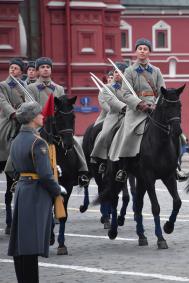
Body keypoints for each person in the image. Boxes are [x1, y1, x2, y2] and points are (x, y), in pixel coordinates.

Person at [7, 102, 63, 283]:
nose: (42, 116)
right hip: (36, 193)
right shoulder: (38, 142)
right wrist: (57, 191)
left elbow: (13, 169)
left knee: (21, 242)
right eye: (39, 114)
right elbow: (45, 175)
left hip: (23, 189)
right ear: (32, 118)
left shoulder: (16, 140)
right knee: (31, 243)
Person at [108, 38, 165, 182]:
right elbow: (125, 94)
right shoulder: (129, 71)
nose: (142, 51)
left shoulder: (156, 71)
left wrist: (156, 105)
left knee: (172, 132)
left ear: (149, 52)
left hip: (154, 108)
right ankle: (124, 168)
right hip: (136, 110)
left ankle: (174, 167)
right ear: (136, 51)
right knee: (128, 134)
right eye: (140, 49)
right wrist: (140, 104)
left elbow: (162, 91)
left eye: (145, 49)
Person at [27, 57, 89, 186]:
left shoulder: (58, 88)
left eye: (48, 67)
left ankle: (82, 171)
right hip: (37, 124)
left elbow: (63, 105)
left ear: (51, 70)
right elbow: (29, 107)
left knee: (74, 143)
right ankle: (15, 173)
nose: (45, 69)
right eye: (42, 67)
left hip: (55, 125)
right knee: (22, 141)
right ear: (38, 70)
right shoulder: (31, 88)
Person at [0, 58, 27, 234]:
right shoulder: (3, 85)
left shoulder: (26, 86)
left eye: (16, 68)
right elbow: (2, 102)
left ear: (21, 71)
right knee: (2, 136)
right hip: (9, 120)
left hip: (25, 120)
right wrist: (14, 113)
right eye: (11, 68)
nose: (12, 71)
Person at [91, 63, 127, 173]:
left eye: (120, 72)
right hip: (114, 115)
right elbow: (109, 103)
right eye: (115, 71)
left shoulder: (130, 87)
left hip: (129, 116)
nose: (117, 74)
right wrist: (123, 107)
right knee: (105, 134)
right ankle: (101, 158)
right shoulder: (107, 88)